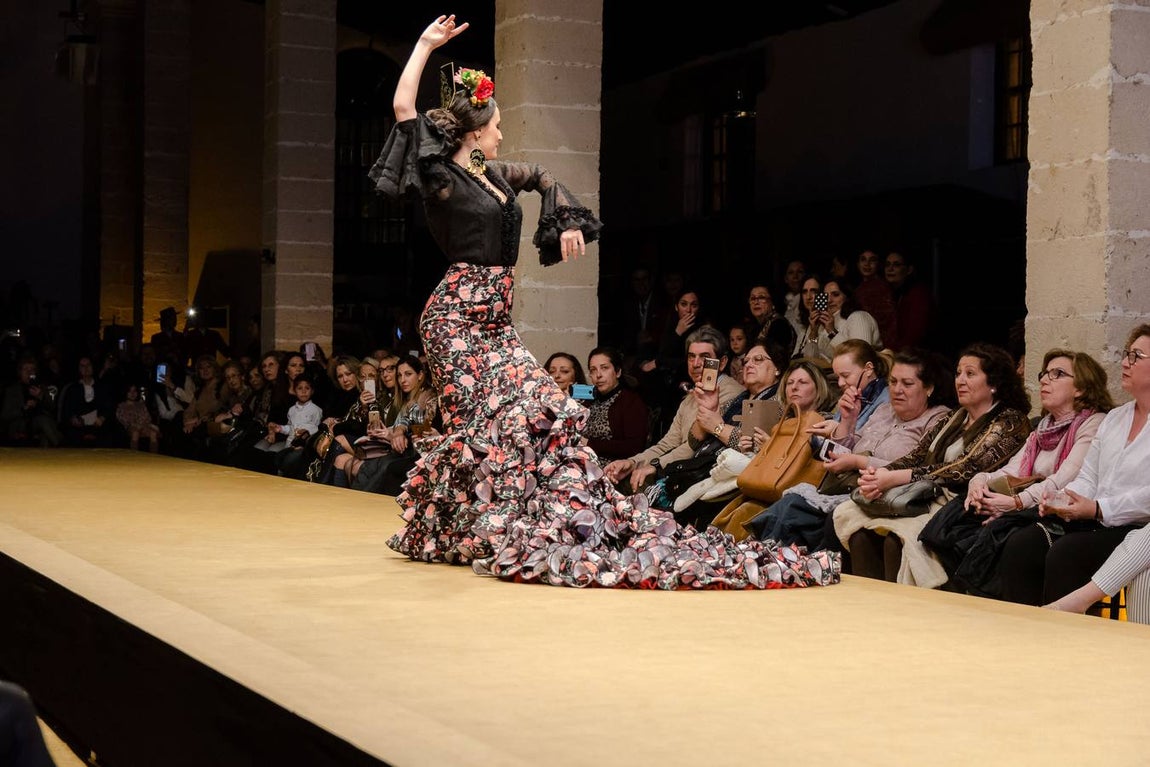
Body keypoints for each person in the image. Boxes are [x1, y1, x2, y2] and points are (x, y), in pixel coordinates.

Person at [368, 15, 837, 590]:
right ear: (472, 130)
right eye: (495, 124)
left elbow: (541, 175)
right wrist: (422, 46)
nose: (500, 131)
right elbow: (403, 112)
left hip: (493, 320)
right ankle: (471, 527)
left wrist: (564, 219)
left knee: (548, 405)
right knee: (490, 422)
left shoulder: (491, 174)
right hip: (456, 317)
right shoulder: (443, 177)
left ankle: (493, 522)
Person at [830, 343, 1031, 586]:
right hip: (926, 496)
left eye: (970, 374)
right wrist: (879, 474)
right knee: (860, 532)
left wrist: (893, 478)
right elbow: (917, 455)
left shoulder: (1010, 421)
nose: (960, 381)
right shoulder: (954, 417)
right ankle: (869, 611)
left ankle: (903, 613)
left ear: (994, 383)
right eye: (958, 373)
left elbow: (963, 467)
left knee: (897, 540)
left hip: (965, 506)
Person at [920, 349, 1111, 598]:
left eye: (1058, 374)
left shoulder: (1093, 423)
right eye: (1045, 374)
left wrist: (1016, 503)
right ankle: (966, 606)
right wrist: (980, 483)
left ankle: (996, 613)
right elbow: (1011, 470)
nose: (1044, 380)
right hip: (1028, 506)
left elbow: (1064, 478)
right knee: (956, 521)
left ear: (1082, 388)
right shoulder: (1042, 428)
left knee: (1008, 539)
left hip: (1062, 512)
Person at [1000, 327, 1150, 608]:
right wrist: (1063, 499)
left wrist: (1098, 507)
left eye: (1136, 356)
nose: (1126, 362)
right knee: (1023, 544)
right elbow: (1088, 475)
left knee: (1067, 553)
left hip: (1135, 528)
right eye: (1126, 354)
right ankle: (1020, 634)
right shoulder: (1116, 418)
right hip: (1093, 519)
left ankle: (1066, 641)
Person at [747, 348, 952, 551]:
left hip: (887, 495)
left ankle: (769, 561)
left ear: (929, 388)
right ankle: (764, 558)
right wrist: (848, 421)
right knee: (788, 505)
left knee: (795, 513)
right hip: (847, 486)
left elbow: (922, 468)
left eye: (907, 384)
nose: (897, 390)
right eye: (893, 382)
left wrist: (858, 461)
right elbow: (848, 450)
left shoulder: (938, 419)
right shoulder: (884, 410)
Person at [603, 325, 744, 494]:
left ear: (722, 363)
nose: (696, 364)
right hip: (682, 471)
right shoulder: (690, 397)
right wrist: (632, 462)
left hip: (705, 478)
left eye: (705, 357)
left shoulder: (731, 393)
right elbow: (667, 444)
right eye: (691, 357)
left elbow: (694, 447)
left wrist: (655, 466)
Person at [583, 346, 649, 462]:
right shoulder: (588, 401)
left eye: (604, 368)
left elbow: (634, 447)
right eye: (593, 370)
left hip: (613, 468)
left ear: (617, 372)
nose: (598, 375)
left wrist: (590, 444)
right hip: (582, 463)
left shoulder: (631, 402)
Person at [884, 250, 936, 352]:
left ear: (909, 270)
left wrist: (891, 353)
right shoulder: (894, 293)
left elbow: (915, 335)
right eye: (887, 264)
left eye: (896, 265)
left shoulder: (919, 294)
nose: (890, 269)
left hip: (917, 357)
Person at [853, 249, 896, 348]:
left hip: (878, 343)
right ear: (858, 263)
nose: (867, 264)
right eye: (863, 260)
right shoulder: (859, 288)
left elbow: (888, 321)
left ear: (878, 264)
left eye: (872, 260)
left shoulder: (882, 287)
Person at [116, 382, 161, 453]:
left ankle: (153, 457)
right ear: (126, 393)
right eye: (130, 391)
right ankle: (134, 456)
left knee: (153, 433)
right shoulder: (122, 406)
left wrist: (143, 424)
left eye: (134, 391)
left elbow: (148, 417)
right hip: (131, 427)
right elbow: (123, 419)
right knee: (135, 433)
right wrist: (136, 424)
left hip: (144, 426)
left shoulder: (141, 405)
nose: (132, 394)